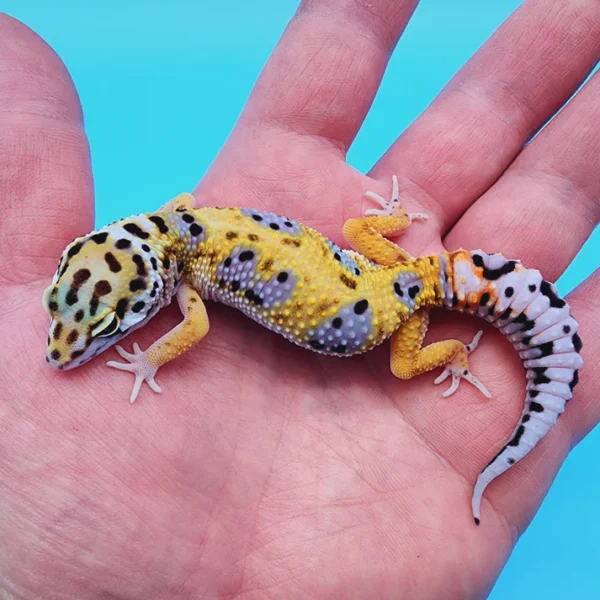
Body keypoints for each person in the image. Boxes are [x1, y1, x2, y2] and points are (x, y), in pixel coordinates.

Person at [0, 1, 598, 597]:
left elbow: (193, 330)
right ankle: (430, 281)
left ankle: (457, 355)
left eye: (107, 325)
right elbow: (180, 201)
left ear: (153, 280)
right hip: (387, 269)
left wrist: (147, 358)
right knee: (359, 230)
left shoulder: (185, 288)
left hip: (397, 310)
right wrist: (388, 221)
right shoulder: (181, 223)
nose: (73, 348)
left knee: (401, 363)